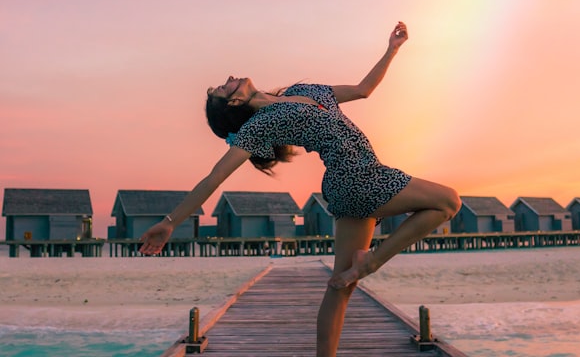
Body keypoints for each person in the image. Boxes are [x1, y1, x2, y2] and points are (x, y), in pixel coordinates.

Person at [140, 21, 461, 357]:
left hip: (344, 186)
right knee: (448, 201)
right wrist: (171, 221)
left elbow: (364, 89)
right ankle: (371, 262)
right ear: (233, 103)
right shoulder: (259, 126)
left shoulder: (306, 90)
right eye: (225, 86)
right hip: (360, 176)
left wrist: (392, 49)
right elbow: (213, 178)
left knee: (341, 287)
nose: (230, 77)